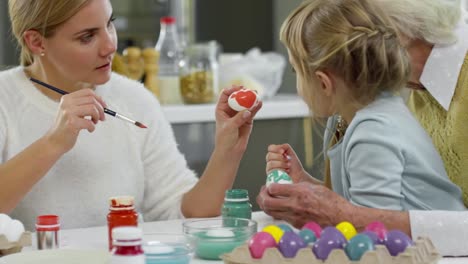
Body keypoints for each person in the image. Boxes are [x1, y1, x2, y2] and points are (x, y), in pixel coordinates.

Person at [0, 0, 262, 230]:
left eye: (109, 24)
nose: (110, 45)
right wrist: (53, 143)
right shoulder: (5, 99)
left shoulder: (135, 99)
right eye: (87, 37)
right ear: (36, 42)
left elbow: (187, 213)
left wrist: (227, 150)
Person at [258, 0, 468, 256]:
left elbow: (373, 237)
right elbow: (359, 209)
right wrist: (308, 188)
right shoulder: (351, 119)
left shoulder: (374, 130)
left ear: (324, 82)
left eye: (295, 70)